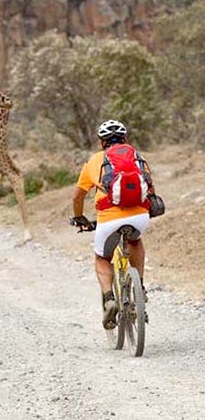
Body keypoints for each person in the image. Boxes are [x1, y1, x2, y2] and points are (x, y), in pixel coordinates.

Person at [71, 119, 155, 329]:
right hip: (139, 217)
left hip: (108, 219)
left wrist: (79, 217)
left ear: (102, 143)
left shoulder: (95, 161)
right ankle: (140, 287)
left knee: (102, 257)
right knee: (135, 241)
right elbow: (151, 189)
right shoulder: (137, 157)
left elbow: (78, 196)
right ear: (125, 139)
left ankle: (109, 298)